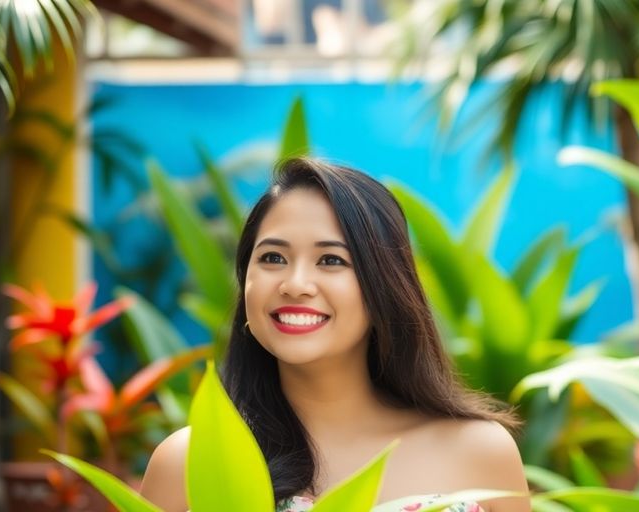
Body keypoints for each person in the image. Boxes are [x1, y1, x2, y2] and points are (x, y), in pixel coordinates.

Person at [140, 157, 530, 511]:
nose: (295, 284)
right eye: (273, 258)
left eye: (331, 260)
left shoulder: (479, 451)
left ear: (384, 287)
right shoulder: (190, 461)